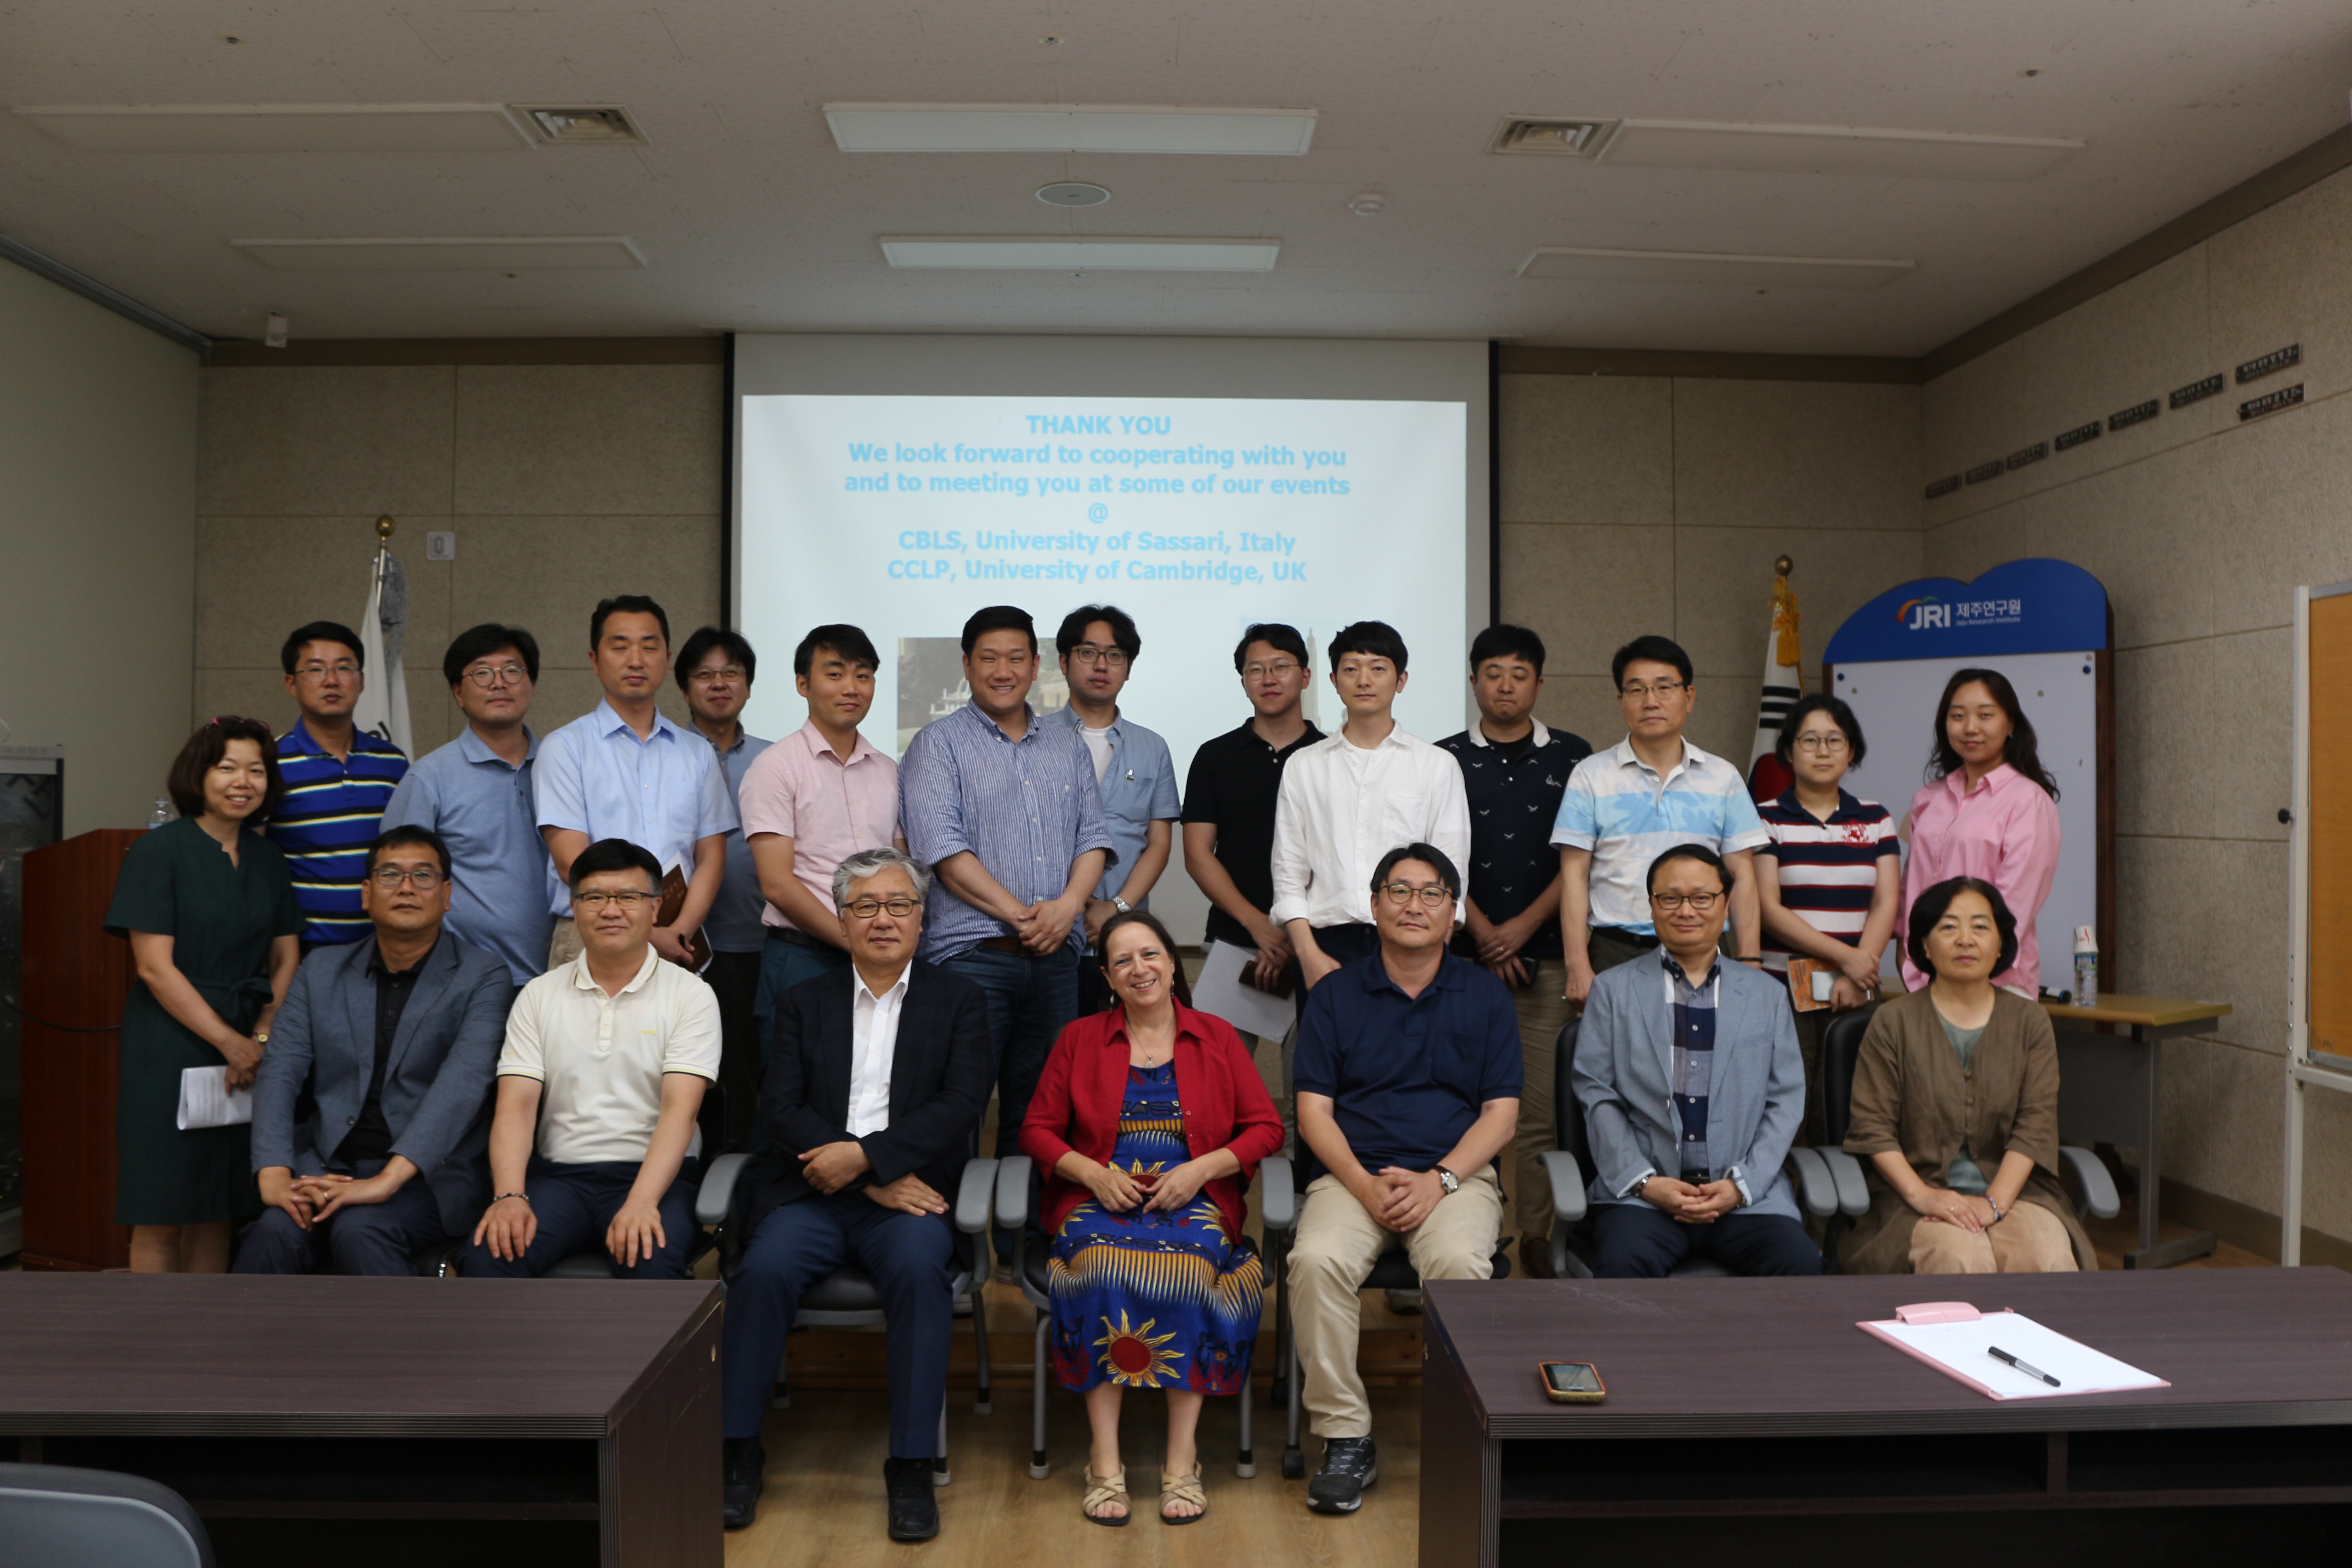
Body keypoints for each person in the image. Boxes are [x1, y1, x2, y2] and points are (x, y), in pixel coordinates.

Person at [720, 848, 992, 1540]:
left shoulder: (959, 1000)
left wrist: (867, 1161)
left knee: (919, 1273)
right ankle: (737, 1451)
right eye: (865, 905)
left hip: (910, 1197)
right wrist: (867, 1176)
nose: (883, 919)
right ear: (841, 920)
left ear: (923, 919)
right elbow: (780, 1108)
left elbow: (960, 1104)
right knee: (762, 1270)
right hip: (812, 1193)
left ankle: (911, 1464)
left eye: (899, 904)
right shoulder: (803, 1001)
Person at [1021, 911, 1282, 1528]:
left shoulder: (1217, 1036)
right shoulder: (1079, 1039)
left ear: (1171, 963)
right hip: (1099, 1199)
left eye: (1150, 955)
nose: (1139, 969)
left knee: (1189, 1274)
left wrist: (1202, 1170)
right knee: (1100, 1270)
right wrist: (1092, 1175)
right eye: (1122, 961)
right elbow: (1036, 1129)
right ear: (1108, 978)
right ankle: (1104, 1461)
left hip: (1195, 1200)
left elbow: (1266, 1128)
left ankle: (1181, 1460)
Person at [1287, 843, 1519, 1516]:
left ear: (1454, 912)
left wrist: (1438, 1180)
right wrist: (1363, 1185)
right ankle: (1346, 1437)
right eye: (1399, 890)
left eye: (1431, 893)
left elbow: (1501, 1116)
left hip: (1453, 1179)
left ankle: (1459, 1427)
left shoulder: (1484, 995)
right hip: (1353, 1176)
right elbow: (1313, 1112)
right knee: (1315, 1260)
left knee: (1458, 1262)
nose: (1414, 905)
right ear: (1373, 904)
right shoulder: (1335, 995)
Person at [898, 605, 1112, 1252]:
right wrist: (1023, 915)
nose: (1003, 670)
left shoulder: (1067, 745)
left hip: (1055, 961)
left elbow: (1093, 838)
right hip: (972, 958)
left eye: (1016, 657)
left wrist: (1069, 907)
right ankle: (951, 1252)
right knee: (957, 1108)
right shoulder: (937, 744)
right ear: (966, 665)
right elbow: (942, 849)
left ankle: (1029, 1249)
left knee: (1042, 1113)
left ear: (1037, 666)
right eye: (988, 658)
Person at [235, 826, 511, 1275]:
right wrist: (274, 1173)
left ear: (446, 895)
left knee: (360, 1229)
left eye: (423, 876)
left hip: (428, 1179)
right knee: (274, 1231)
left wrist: (385, 1181)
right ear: (366, 894)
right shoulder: (321, 970)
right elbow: (281, 1071)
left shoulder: (483, 975)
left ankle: (405, 1329)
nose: (407, 887)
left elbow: (461, 1086)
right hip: (328, 1167)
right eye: (390, 875)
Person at [463, 839, 717, 1279]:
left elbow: (681, 1111)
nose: (611, 910)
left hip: (656, 1178)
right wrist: (509, 1196)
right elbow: (516, 1107)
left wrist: (641, 1201)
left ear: (655, 907)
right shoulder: (539, 994)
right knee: (491, 1256)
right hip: (559, 1179)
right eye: (595, 897)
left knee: (651, 1258)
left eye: (628, 897)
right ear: (575, 907)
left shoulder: (691, 995)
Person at [103, 717, 303, 1273]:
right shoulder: (159, 852)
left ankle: (207, 1325)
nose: (243, 782)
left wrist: (260, 1035)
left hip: (249, 1039)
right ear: (199, 775)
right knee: (163, 1207)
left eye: (256, 770)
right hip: (170, 1042)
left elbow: (286, 957)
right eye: (227, 768)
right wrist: (230, 1042)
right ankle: (154, 1327)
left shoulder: (268, 859)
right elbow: (154, 968)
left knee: (219, 1205)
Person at [1571, 844, 1819, 1279]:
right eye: (1670, 898)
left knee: (1799, 1265)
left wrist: (1742, 1186)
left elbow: (1785, 1102)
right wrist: (1645, 1183)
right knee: (1621, 1267)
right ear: (1652, 906)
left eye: (1702, 898)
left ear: (1726, 903)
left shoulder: (1766, 995)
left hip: (1745, 1200)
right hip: (1645, 1199)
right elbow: (1597, 1094)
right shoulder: (1612, 991)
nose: (1686, 910)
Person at [1435, 623, 1591, 1277]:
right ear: (1473, 681)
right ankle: (1455, 1237)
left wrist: (1521, 928)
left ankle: (1534, 1235)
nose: (1505, 686)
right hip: (1455, 961)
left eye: (1519, 675)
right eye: (1493, 674)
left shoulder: (1575, 757)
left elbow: (1581, 857)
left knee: (1537, 1110)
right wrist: (1484, 933)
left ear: (1540, 683)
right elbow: (1436, 857)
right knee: (1449, 1103)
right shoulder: (1442, 758)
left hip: (1545, 955)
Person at [1840, 877, 2094, 1275]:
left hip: (2019, 1195)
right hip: (1914, 1199)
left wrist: (1994, 1204)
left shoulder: (2030, 1022)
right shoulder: (1893, 1022)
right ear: (1925, 946)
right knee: (1960, 1260)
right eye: (1948, 927)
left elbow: (2035, 1126)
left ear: (2000, 944)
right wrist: (1924, 1197)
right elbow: (1873, 1129)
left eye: (1980, 927)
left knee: (2046, 1260)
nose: (1965, 940)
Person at [1553, 635, 1769, 1007]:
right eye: (1636, 690)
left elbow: (1743, 875)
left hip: (1705, 951)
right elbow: (1574, 876)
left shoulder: (1723, 777)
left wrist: (1749, 961)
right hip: (1617, 951)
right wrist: (1577, 965)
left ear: (1690, 697)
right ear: (1621, 701)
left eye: (1664, 688)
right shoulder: (1591, 776)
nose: (1650, 701)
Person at [1271, 621, 1471, 1005]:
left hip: (1413, 941)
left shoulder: (1437, 765)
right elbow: (1288, 871)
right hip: (1326, 946)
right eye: (1351, 669)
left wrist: (1435, 957)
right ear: (1334, 680)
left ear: (1401, 680)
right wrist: (1308, 955)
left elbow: (1452, 869)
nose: (1364, 680)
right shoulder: (1304, 765)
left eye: (1378, 668)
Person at [534, 595, 736, 970]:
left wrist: (679, 932)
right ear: (595, 660)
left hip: (679, 940)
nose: (636, 660)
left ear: (667, 659)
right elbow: (570, 862)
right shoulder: (565, 747)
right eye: (620, 647)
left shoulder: (697, 752)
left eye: (649, 646)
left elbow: (711, 857)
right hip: (590, 935)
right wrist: (648, 933)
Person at [1180, 623, 1324, 1142]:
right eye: (1255, 669)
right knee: (1209, 1099)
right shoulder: (1215, 756)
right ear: (1242, 680)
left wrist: (1292, 934)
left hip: (1316, 950)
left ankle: (1304, 1197)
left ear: (1305, 675)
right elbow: (1198, 855)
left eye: (1281, 666)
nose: (1268, 678)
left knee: (1311, 1103)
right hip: (1233, 946)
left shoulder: (1331, 756)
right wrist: (1259, 926)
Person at [740, 624, 904, 1037]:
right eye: (835, 674)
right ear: (803, 684)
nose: (851, 688)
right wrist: (856, 941)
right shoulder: (775, 767)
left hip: (878, 957)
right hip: (804, 957)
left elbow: (902, 867)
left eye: (863, 675)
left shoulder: (889, 771)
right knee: (796, 1073)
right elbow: (777, 885)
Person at [1754, 693, 1901, 1148]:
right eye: (1810, 740)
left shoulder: (1875, 819)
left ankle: (1848, 1195)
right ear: (1788, 751)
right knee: (1788, 1105)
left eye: (1835, 740)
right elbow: (1768, 909)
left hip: (1859, 985)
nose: (1823, 751)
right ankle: (1792, 1193)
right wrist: (1847, 958)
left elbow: (1886, 901)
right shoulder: (1765, 819)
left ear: (1851, 750)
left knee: (1858, 1104)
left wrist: (1860, 970)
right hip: (1783, 989)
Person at [381, 624, 552, 989]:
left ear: (531, 685)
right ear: (459, 693)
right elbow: (396, 883)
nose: (499, 683)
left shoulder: (563, 768)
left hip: (563, 975)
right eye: (482, 673)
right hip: (463, 981)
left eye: (512, 671)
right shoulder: (429, 778)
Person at [1899, 668, 2063, 997]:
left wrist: (1960, 965)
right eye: (1958, 716)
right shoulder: (1927, 798)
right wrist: (1908, 956)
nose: (1970, 727)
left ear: (2011, 724)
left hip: (1995, 984)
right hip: (1923, 980)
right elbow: (1910, 890)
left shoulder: (2028, 801)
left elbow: (2014, 906)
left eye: (1985, 715)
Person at [1050, 606, 1181, 1016]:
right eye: (1088, 653)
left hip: (1126, 940)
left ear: (1129, 668)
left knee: (1124, 1047)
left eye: (1115, 655)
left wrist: (1118, 907)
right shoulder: (1033, 738)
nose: (1101, 665)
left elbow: (1158, 844)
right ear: (1064, 662)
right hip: (1050, 933)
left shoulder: (1152, 747)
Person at [677, 626, 771, 1152]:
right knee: (700, 1079)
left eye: (731, 673)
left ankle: (752, 1183)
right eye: (705, 674)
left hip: (765, 943)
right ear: (685, 687)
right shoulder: (666, 754)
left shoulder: (775, 758)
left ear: (749, 686)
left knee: (762, 1074)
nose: (719, 684)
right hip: (685, 947)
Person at [272, 620, 410, 949]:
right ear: (292, 684)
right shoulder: (269, 763)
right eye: (316, 670)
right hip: (304, 954)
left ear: (361, 681)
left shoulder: (392, 762)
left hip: (386, 950)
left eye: (344, 668)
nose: (332, 680)